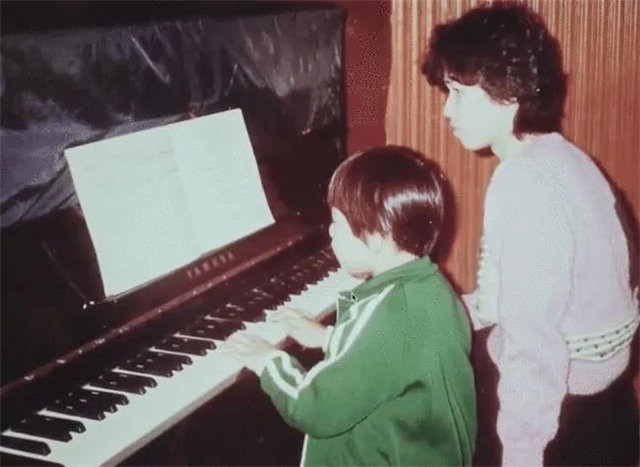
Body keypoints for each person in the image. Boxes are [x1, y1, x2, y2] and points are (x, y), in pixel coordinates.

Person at [421, 2, 639, 466]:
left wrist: (520, 455)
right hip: (608, 397)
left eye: (458, 92)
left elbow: (532, 346)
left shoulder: (524, 184)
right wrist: (423, 315)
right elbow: (501, 300)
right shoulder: (562, 157)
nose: (446, 110)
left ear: (508, 90)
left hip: (565, 408)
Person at [220, 145, 476, 465]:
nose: (330, 231)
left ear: (378, 239)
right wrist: (328, 337)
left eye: (337, 223)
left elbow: (313, 408)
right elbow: (393, 352)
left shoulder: (386, 313)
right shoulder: (434, 288)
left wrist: (268, 360)